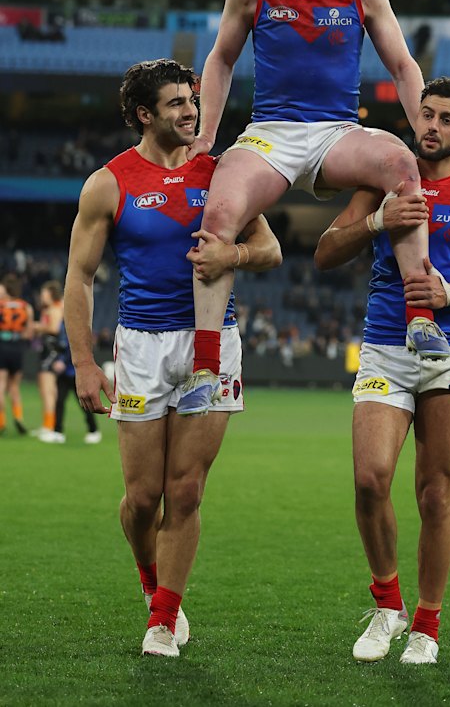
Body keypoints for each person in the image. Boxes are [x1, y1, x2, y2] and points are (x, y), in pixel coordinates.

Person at [178, 0, 450, 417]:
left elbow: (402, 65)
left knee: (402, 164)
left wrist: (423, 131)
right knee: (220, 211)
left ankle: (420, 318)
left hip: (336, 132)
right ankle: (205, 368)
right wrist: (207, 133)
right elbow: (221, 59)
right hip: (269, 134)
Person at [64, 59, 282, 658]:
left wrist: (233, 256)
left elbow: (269, 248)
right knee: (142, 499)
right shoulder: (109, 183)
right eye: (177, 103)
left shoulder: (221, 174)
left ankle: (163, 620)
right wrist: (83, 362)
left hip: (211, 343)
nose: (191, 111)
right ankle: (150, 581)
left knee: (184, 492)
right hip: (140, 347)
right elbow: (79, 278)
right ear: (144, 114)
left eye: (193, 99)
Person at [313, 77, 450, 664]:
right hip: (385, 346)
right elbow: (325, 252)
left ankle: (426, 627)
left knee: (434, 493)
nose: (432, 126)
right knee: (369, 480)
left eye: (446, 119)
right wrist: (376, 221)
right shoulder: (384, 179)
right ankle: (388, 607)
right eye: (426, 114)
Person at [39, 318, 102, 445]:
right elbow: (61, 345)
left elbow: (72, 346)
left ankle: (93, 430)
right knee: (59, 401)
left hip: (75, 372)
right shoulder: (63, 323)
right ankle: (58, 432)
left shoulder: (75, 324)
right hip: (64, 373)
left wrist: (62, 360)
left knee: (83, 402)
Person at [0, 275, 34, 435]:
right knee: (14, 386)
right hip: (17, 347)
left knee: (1, 385)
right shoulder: (26, 307)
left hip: (2, 345)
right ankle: (18, 417)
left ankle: (1, 422)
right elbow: (29, 333)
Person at [33, 280, 64, 439]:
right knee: (44, 389)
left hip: (51, 351)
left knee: (49, 390)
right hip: (45, 350)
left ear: (51, 294)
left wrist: (38, 327)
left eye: (44, 293)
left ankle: (50, 426)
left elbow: (54, 328)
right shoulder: (48, 309)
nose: (42, 296)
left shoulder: (56, 308)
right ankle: (46, 424)